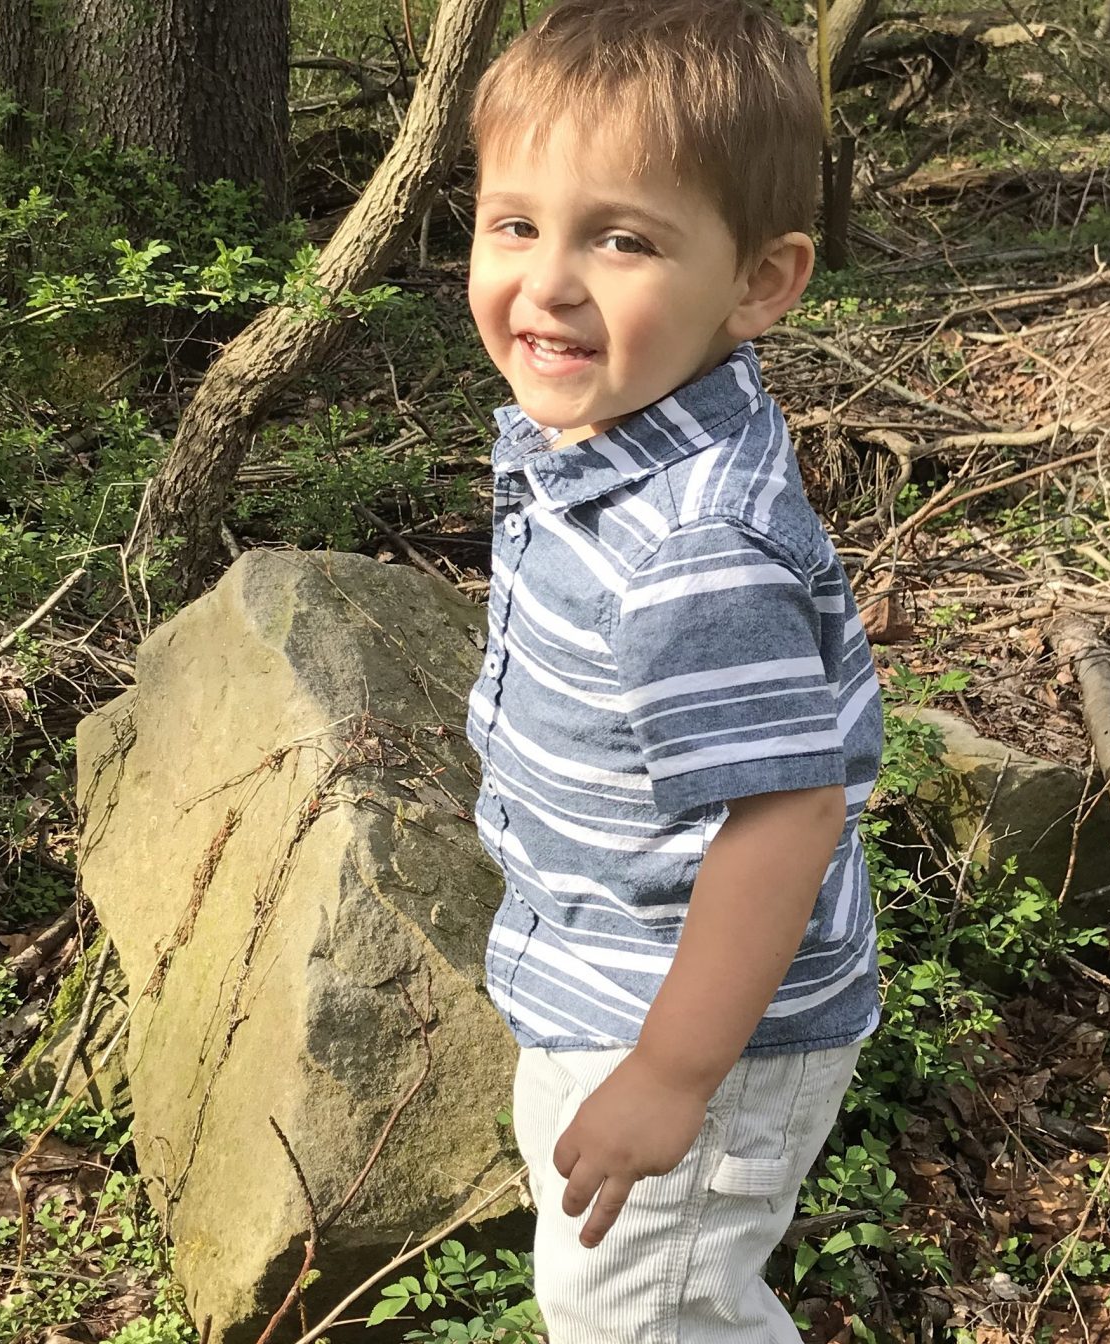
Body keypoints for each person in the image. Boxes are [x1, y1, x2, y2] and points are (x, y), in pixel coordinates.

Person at [462, 0, 885, 1338]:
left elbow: (784, 818)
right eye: (515, 223)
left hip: (697, 1025)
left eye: (623, 238)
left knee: (648, 1317)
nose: (549, 281)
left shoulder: (696, 546)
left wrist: (667, 1073)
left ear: (760, 283)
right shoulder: (606, 437)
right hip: (604, 972)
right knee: (609, 1292)